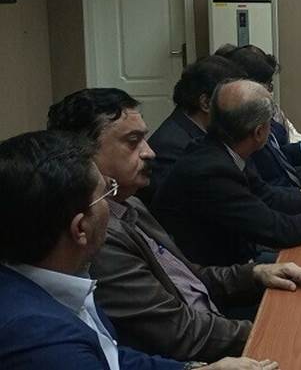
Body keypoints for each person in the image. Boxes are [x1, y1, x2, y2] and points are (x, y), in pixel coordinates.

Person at [46, 88, 301, 362]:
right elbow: (178, 331)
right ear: (84, 155)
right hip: (205, 349)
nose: (149, 153)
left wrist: (255, 273)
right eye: (133, 142)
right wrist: (268, 331)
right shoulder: (97, 234)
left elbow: (188, 278)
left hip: (215, 320)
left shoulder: (130, 203)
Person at [0, 130, 278, 370]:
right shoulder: (45, 342)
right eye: (106, 194)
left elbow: (111, 357)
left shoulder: (62, 278)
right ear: (80, 229)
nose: (111, 206)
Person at [153, 80, 301, 266]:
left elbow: (268, 196)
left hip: (238, 258)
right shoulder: (212, 170)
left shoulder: (220, 148)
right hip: (221, 280)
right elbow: (278, 231)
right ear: (259, 132)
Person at [221, 44, 301, 188]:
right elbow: (268, 190)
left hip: (288, 184)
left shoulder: (264, 117)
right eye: (267, 85)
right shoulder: (245, 127)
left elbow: (275, 157)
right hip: (284, 194)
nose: (270, 93)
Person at [144, 56, 246, 204]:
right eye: (235, 102)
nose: (241, 110)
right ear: (206, 103)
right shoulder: (172, 148)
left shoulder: (206, 132)